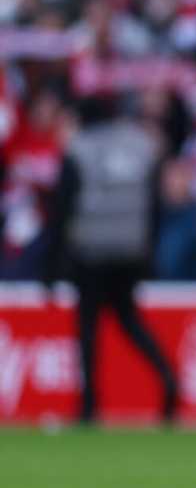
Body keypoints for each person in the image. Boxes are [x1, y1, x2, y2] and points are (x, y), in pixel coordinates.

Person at [44, 96, 178, 425]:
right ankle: (168, 378)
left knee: (88, 329)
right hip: (130, 252)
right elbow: (153, 203)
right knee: (130, 322)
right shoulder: (139, 146)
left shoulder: (80, 149)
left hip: (90, 252)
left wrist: (51, 262)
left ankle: (89, 406)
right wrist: (149, 250)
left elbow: (62, 209)